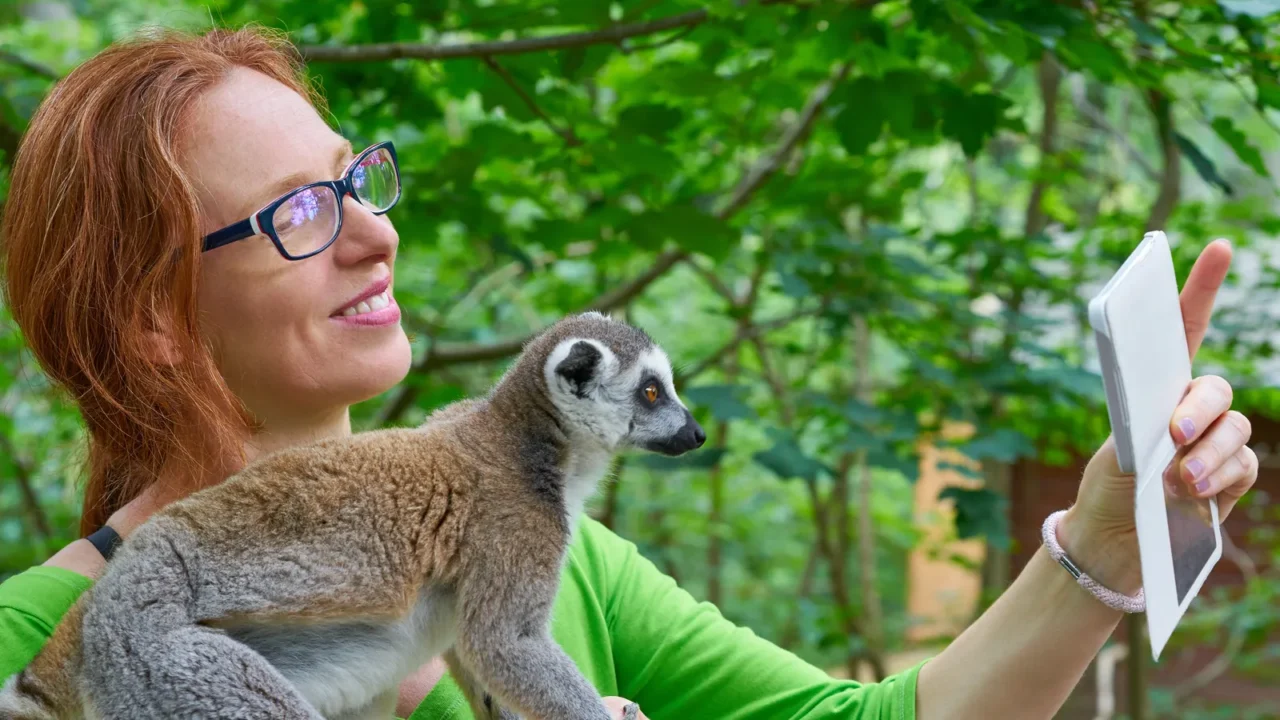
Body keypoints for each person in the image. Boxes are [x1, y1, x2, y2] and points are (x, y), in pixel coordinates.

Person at [0, 24, 1257, 720]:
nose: (377, 233)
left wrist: (1099, 548)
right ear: (155, 318)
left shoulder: (560, 555)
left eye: (356, 180)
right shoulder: (38, 635)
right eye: (297, 214)